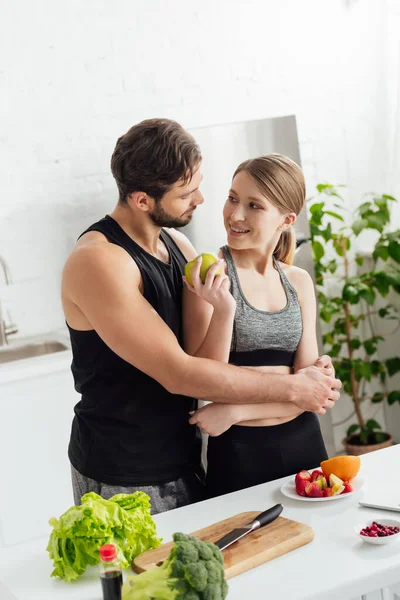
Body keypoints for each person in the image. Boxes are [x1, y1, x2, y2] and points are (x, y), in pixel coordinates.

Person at [61, 119, 341, 514]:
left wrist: (310, 378)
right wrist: (297, 388)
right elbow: (182, 373)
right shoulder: (98, 261)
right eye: (187, 193)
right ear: (143, 200)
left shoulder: (176, 244)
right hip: (125, 471)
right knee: (140, 577)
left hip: (186, 456)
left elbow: (210, 357)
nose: (203, 200)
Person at [184, 154, 332, 498]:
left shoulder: (298, 281)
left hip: (305, 445)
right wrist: (223, 310)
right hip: (239, 453)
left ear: (286, 220)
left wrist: (236, 410)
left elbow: (310, 393)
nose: (235, 215)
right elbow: (204, 381)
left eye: (254, 205)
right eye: (233, 198)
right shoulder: (207, 275)